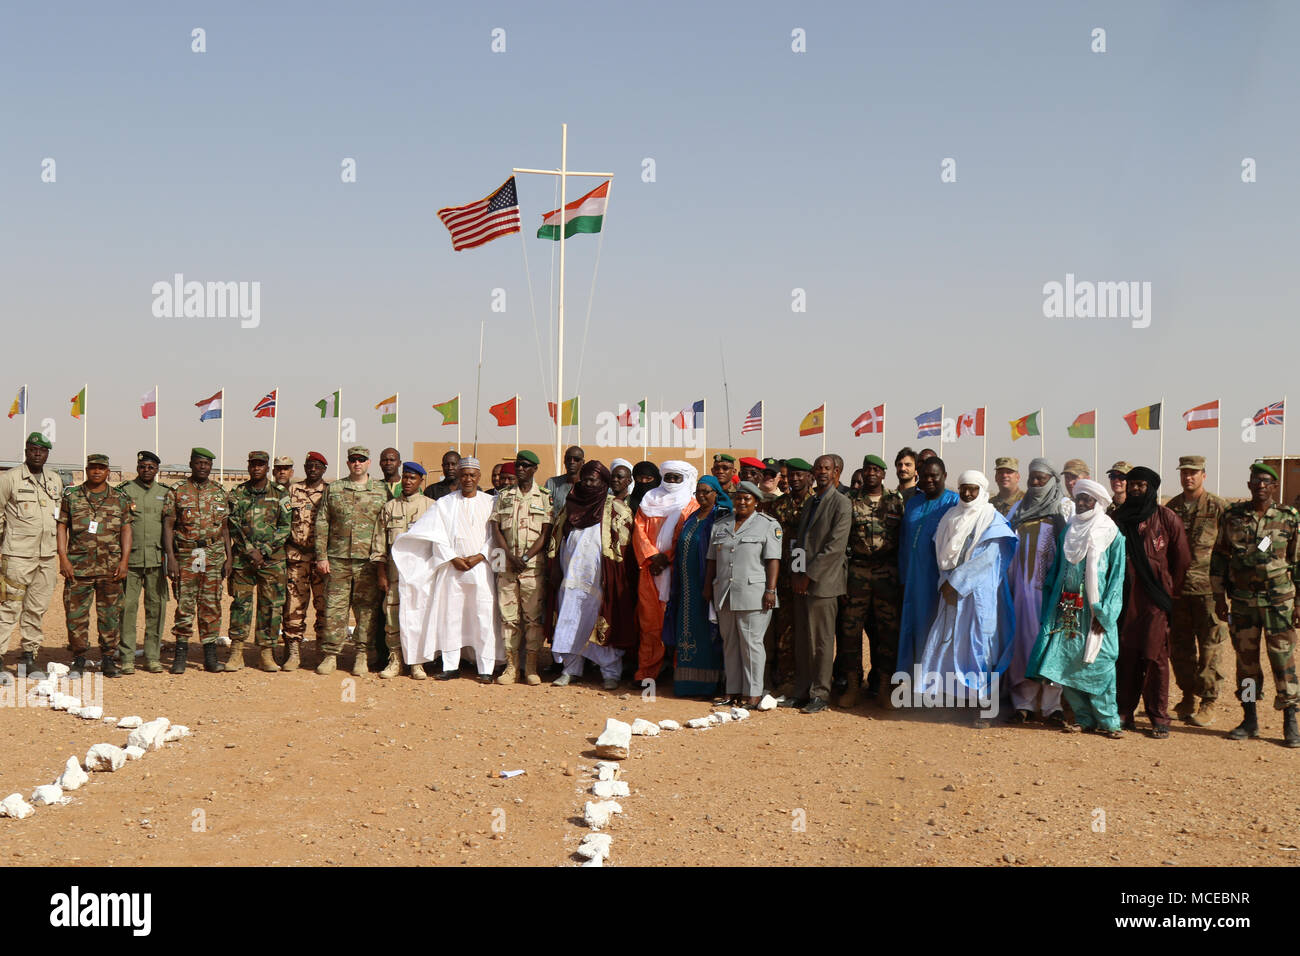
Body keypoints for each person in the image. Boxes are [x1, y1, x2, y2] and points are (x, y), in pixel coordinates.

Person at [915, 471, 1016, 726]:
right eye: (963, 489)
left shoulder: (992, 519)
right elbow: (941, 553)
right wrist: (945, 582)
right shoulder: (951, 516)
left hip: (977, 595)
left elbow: (988, 558)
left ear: (982, 490)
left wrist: (956, 583)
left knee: (979, 647)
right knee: (950, 647)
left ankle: (985, 708)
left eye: (973, 489)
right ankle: (957, 702)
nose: (968, 494)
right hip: (949, 592)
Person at [1026, 480, 1127, 737]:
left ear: (1099, 502)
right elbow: (1056, 569)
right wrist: (1051, 604)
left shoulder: (1111, 532)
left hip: (1095, 613)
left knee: (1100, 663)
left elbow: (1117, 577)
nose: (1081, 503)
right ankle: (1083, 719)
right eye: (1079, 498)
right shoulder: (1069, 530)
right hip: (1067, 608)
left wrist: (1105, 613)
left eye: (1087, 499)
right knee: (1067, 661)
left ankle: (1109, 722)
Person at [1211, 463, 1300, 746]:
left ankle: (1290, 721)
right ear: (1248, 485)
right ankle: (1249, 718)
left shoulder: (1289, 518)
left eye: (1266, 481)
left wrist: (1299, 603)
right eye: (1255, 481)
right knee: (1246, 664)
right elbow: (1220, 558)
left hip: (1279, 603)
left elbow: (1298, 563)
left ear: (1274, 486)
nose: (1260, 485)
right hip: (1242, 604)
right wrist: (1217, 596)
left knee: (1283, 662)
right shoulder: (1233, 516)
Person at [394, 458, 502, 682]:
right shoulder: (444, 503)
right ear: (459, 477)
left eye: (472, 475)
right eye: (464, 475)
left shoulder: (491, 502)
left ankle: (485, 668)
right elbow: (434, 534)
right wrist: (453, 557)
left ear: (479, 477)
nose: (468, 479)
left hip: (481, 567)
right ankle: (451, 665)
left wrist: (480, 555)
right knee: (451, 616)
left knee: (483, 616)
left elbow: (495, 535)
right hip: (452, 568)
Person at [1112, 466, 1190, 738]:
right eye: (1131, 484)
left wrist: (1168, 593)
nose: (1134, 489)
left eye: (1141, 485)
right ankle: (1124, 712)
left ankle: (1158, 717)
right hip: (1123, 599)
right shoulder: (1117, 518)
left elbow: (1181, 561)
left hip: (1155, 602)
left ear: (1151, 488)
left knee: (1156, 657)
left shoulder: (1167, 518)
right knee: (1126, 657)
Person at [547, 461, 636, 689]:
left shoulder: (616, 508)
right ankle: (570, 670)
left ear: (603, 483)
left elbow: (625, 547)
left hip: (601, 579)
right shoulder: (571, 506)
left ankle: (610, 673)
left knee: (603, 621)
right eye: (585, 479)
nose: (588, 483)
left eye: (593, 480)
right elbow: (557, 539)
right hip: (571, 578)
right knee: (571, 618)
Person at [779, 455, 852, 714]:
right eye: (818, 468)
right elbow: (800, 543)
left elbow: (834, 548)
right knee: (802, 641)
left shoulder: (842, 504)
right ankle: (801, 691)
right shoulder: (812, 501)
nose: (822, 472)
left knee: (821, 642)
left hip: (824, 584)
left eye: (827, 468)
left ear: (835, 473)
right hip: (802, 582)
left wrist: (809, 575)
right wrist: (797, 574)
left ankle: (820, 693)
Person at [834, 454, 903, 707]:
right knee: (850, 631)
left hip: (887, 573)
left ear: (884, 474)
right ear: (862, 473)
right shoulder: (849, 500)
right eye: (867, 469)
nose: (872, 473)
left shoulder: (896, 501)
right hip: (857, 573)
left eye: (877, 469)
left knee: (887, 633)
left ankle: (884, 686)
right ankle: (853, 685)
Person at [314, 445, 388, 676]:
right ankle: (330, 655)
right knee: (335, 609)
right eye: (353, 460)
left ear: (369, 463)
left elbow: (386, 525)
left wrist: (383, 560)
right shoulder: (334, 489)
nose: (357, 463)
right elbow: (322, 522)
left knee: (366, 610)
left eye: (361, 459)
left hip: (368, 561)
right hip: (337, 559)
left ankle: (362, 655)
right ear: (348, 463)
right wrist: (321, 556)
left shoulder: (381, 490)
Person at [1166, 455, 1229, 726]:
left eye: (1193, 472)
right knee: (1180, 649)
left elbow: (1235, 543)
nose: (1188, 477)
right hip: (1179, 592)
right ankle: (1188, 697)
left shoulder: (1218, 507)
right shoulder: (1171, 508)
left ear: (1204, 475)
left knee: (1210, 649)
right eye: (1184, 473)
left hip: (1209, 593)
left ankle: (1209, 701)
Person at [706, 481, 781, 707]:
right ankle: (732, 690)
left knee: (751, 644)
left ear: (756, 502)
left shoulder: (768, 525)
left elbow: (773, 560)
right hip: (725, 593)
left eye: (747, 498)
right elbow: (712, 559)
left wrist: (771, 590)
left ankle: (753, 693)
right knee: (730, 643)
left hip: (754, 593)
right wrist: (708, 587)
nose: (741, 502)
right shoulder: (721, 525)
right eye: (738, 498)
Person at [57, 454, 132, 678]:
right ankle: (79, 658)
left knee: (109, 614)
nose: (97, 472)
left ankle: (108, 658)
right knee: (75, 615)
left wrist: (125, 560)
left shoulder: (119, 498)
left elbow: (127, 529)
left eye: (101, 468)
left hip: (111, 567)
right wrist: (63, 557)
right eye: (93, 468)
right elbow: (62, 526)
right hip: (78, 567)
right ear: (87, 470)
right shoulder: (72, 496)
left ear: (108, 471)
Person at [1005, 459, 1067, 723]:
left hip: (1051, 592)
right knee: (1024, 644)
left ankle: (1053, 706)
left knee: (1052, 643)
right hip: (1021, 593)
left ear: (1052, 480)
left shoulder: (1063, 509)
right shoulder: (1019, 508)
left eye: (1042, 478)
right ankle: (1024, 703)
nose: (1036, 482)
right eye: (1033, 477)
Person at [0, 432, 64, 677]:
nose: (37, 453)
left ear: (47, 454)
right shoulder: (10, 479)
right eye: (33, 449)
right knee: (9, 608)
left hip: (46, 557)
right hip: (17, 556)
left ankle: (29, 657)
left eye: (42, 450)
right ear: (26, 451)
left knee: (36, 609)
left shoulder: (54, 480)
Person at [163, 447, 230, 674]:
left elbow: (225, 528)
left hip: (213, 554)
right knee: (185, 604)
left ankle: (210, 657)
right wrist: (170, 557)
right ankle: (180, 655)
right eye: (199, 463)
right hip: (187, 555)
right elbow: (169, 526)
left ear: (211, 466)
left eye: (207, 463)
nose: (203, 467)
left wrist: (228, 558)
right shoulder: (178, 491)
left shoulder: (220, 492)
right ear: (191, 464)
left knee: (211, 604)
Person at [666, 476, 733, 698]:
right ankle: (687, 685)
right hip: (685, 589)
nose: (702, 495)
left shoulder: (720, 518)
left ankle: (708, 686)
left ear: (716, 493)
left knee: (708, 635)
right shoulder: (692, 517)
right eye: (698, 491)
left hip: (706, 587)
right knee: (686, 634)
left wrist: (710, 584)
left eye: (706, 491)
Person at [225, 450, 291, 673]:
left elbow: (285, 526)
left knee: (270, 607)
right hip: (243, 561)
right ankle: (236, 651)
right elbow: (232, 524)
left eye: (261, 464)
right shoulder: (238, 493)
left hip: (272, 561)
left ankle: (266, 652)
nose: (256, 468)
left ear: (267, 467)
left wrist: (263, 550)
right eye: (253, 464)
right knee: (241, 605)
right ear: (248, 466)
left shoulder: (280, 493)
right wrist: (249, 550)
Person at [489, 450, 552, 685]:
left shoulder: (544, 497)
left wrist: (524, 557)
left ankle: (532, 668)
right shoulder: (504, 496)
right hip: (507, 566)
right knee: (509, 619)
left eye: (526, 466)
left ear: (535, 468)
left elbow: (545, 533)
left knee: (533, 619)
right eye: (518, 465)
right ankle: (511, 667)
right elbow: (496, 528)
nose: (520, 469)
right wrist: (508, 555)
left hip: (532, 567)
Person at [632, 460, 699, 682]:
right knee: (649, 623)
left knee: (680, 621)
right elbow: (639, 531)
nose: (671, 481)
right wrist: (653, 556)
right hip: (650, 570)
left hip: (678, 572)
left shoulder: (691, 505)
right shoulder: (648, 501)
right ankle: (647, 673)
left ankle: (679, 672)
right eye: (668, 477)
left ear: (685, 479)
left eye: (676, 478)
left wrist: (666, 558)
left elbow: (687, 537)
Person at [897, 457, 959, 671]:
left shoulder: (954, 503)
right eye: (925, 476)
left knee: (934, 630)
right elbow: (905, 542)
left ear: (944, 477)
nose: (929, 480)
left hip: (938, 580)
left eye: (934, 476)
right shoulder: (914, 503)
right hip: (912, 578)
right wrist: (903, 576)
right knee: (910, 628)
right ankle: (909, 680)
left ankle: (932, 685)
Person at [372, 462, 431, 679]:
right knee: (392, 618)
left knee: (418, 618)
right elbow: (379, 544)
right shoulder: (389, 508)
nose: (407, 482)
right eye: (405, 477)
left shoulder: (431, 507)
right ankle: (395, 660)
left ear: (420, 481)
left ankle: (416, 662)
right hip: (394, 574)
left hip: (420, 576)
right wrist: (381, 574)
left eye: (412, 478)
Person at [762, 457, 814, 693]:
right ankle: (786, 679)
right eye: (791, 474)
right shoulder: (779, 505)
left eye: (799, 474)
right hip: (782, 575)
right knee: (783, 630)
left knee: (809, 630)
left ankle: (811, 681)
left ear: (809, 477)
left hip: (809, 576)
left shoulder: (816, 503)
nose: (795, 478)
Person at [117, 451, 171, 674]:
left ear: (157, 469)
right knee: (127, 608)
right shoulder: (125, 491)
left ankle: (152, 656)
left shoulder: (165, 493)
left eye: (151, 467)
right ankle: (127, 657)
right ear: (138, 468)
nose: (147, 470)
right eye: (143, 466)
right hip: (131, 561)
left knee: (157, 609)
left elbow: (170, 527)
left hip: (157, 560)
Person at [282, 451, 328, 671]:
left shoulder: (329, 492)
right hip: (297, 557)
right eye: (309, 465)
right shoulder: (292, 490)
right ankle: (293, 651)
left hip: (321, 560)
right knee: (294, 605)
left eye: (317, 466)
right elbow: (283, 520)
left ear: (323, 470)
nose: (312, 469)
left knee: (323, 605)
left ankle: (322, 650)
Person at [544, 446, 585, 516]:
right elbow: (546, 512)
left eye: (576, 459)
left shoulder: (589, 484)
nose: (572, 462)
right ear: (564, 461)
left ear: (583, 462)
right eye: (568, 459)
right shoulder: (552, 483)